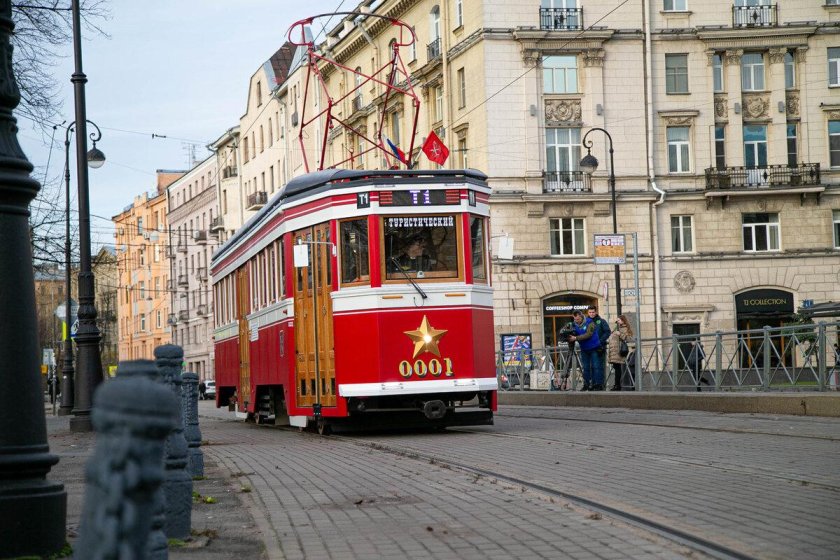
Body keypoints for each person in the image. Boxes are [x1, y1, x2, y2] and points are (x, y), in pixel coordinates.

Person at [569, 310, 602, 390]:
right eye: (575, 319)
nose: (576, 321)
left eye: (578, 319)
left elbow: (588, 334)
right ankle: (586, 384)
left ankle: (597, 385)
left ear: (581, 316)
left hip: (594, 348)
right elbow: (573, 332)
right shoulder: (574, 324)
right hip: (584, 349)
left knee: (596, 367)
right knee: (585, 368)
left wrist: (576, 338)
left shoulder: (590, 322)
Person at [607, 314, 633, 391]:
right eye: (617, 320)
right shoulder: (617, 328)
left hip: (619, 351)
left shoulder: (625, 328)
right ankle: (617, 385)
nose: (617, 322)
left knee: (618, 369)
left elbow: (628, 338)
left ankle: (617, 385)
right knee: (616, 368)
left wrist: (620, 334)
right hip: (614, 351)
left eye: (619, 320)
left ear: (623, 320)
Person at [587, 305, 611, 386]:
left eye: (593, 312)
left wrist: (599, 341)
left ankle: (599, 384)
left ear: (596, 312)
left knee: (598, 367)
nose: (591, 314)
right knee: (589, 367)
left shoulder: (601, 321)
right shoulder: (585, 322)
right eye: (590, 312)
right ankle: (592, 384)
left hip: (598, 348)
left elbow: (607, 332)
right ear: (588, 312)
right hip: (588, 348)